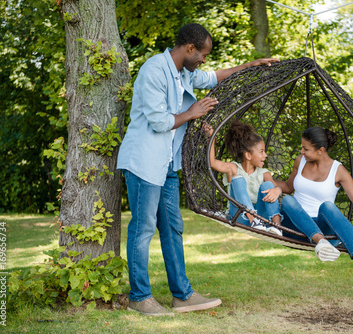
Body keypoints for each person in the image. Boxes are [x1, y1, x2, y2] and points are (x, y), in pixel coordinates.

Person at [117, 23, 279, 316]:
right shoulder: (154, 70)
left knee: (173, 228)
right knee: (142, 230)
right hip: (143, 162)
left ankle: (182, 295)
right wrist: (193, 112)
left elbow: (214, 77)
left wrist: (252, 65)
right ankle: (139, 297)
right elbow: (159, 121)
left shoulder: (184, 73)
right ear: (189, 48)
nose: (204, 60)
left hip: (166, 164)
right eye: (202, 54)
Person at [275, 127, 353, 291]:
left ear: (321, 150)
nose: (302, 151)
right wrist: (263, 178)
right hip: (295, 227)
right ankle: (319, 242)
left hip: (324, 230)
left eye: (306, 149)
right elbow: (288, 187)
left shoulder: (338, 171)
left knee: (328, 206)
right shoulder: (300, 161)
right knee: (288, 200)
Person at [204, 120, 283, 235]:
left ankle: (277, 227)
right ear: (248, 155)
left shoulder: (265, 173)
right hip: (238, 216)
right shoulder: (233, 168)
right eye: (261, 152)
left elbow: (277, 188)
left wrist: (277, 190)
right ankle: (253, 220)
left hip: (261, 219)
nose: (265, 155)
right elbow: (212, 162)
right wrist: (211, 138)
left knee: (269, 186)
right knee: (237, 179)